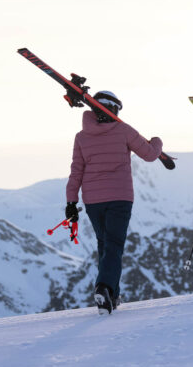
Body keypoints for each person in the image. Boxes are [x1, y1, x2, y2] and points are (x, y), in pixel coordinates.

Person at [65, 90, 163, 313]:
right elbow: (149, 154)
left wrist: (71, 202)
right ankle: (104, 287)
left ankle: (112, 296)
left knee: (105, 245)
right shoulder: (123, 130)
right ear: (115, 109)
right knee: (114, 245)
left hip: (93, 201)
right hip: (119, 198)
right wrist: (157, 141)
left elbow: (76, 172)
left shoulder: (81, 137)